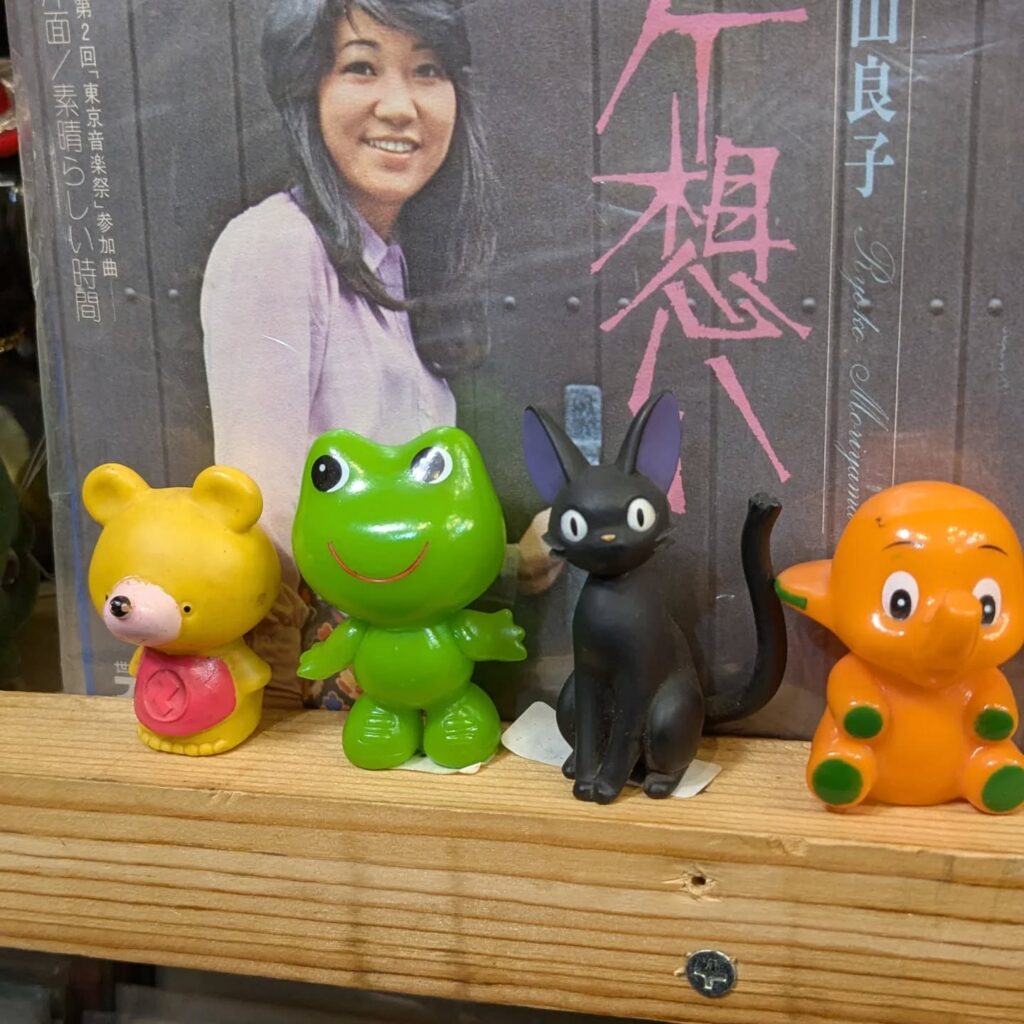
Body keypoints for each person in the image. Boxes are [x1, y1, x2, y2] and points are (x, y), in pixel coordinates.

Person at [202, 0, 559, 707]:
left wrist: (510, 564)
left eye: (427, 70)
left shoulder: (400, 260)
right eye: (361, 67)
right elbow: (264, 518)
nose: (400, 106)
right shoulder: (275, 246)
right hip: (331, 680)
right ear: (307, 88)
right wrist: (302, 690)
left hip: (409, 657)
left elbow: (391, 509)